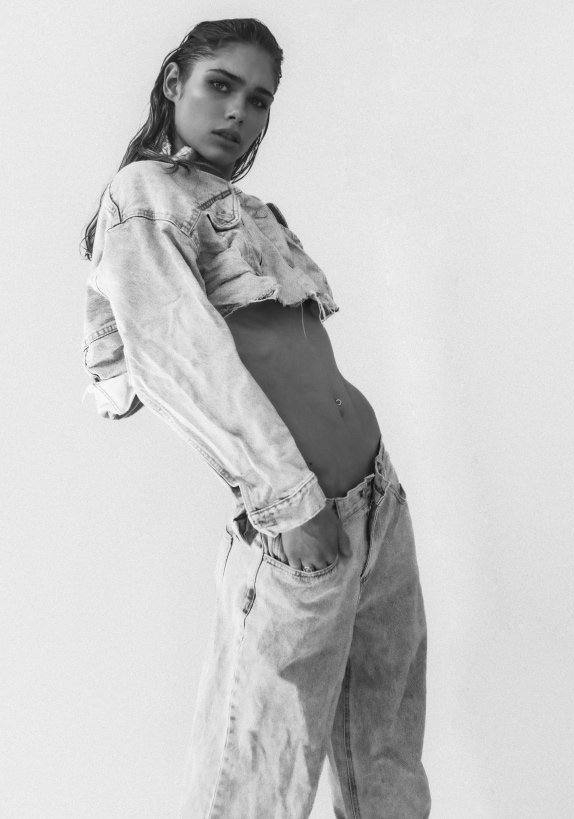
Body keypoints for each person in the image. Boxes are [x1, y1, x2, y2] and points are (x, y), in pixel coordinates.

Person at [80, 17, 431, 819]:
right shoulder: (143, 197)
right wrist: (290, 502)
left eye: (260, 99)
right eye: (220, 85)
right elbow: (182, 360)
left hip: (378, 504)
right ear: (175, 83)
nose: (239, 110)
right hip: (300, 524)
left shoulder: (243, 208)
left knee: (386, 762)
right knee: (254, 790)